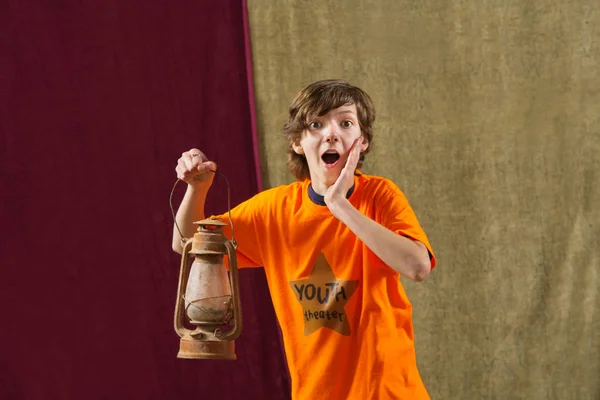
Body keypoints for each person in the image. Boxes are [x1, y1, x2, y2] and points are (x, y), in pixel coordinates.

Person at [172, 79, 437, 400]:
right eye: (316, 124)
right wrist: (197, 190)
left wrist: (339, 205)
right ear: (298, 142)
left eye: (346, 122)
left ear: (362, 141)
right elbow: (188, 245)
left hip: (388, 391)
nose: (331, 133)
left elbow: (418, 266)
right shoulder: (273, 210)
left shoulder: (380, 196)